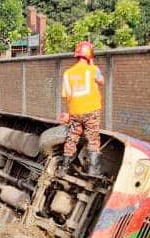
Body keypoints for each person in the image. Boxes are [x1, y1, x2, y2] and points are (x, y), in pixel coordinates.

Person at [60, 40, 105, 176]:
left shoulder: (68, 73)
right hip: (91, 111)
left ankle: (64, 168)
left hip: (75, 112)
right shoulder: (93, 69)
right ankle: (93, 170)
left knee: (72, 137)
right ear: (90, 55)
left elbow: (65, 95)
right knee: (93, 138)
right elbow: (102, 81)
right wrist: (92, 64)